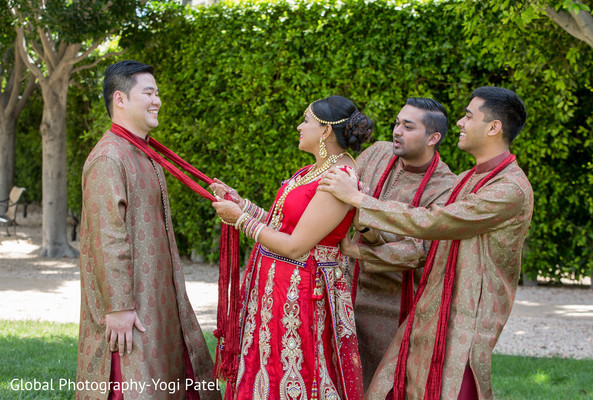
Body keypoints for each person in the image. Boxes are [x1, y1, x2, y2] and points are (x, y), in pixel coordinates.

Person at [319, 86, 534, 400]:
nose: (459, 122)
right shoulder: (469, 178)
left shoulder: (508, 189)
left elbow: (434, 223)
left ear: (493, 127)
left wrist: (359, 201)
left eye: (468, 116)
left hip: (463, 322)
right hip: (431, 310)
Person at [211, 95, 373, 400]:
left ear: (325, 131)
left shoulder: (337, 180)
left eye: (306, 120)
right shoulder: (310, 172)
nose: (300, 126)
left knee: (298, 373)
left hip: (301, 294)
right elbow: (282, 226)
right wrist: (240, 204)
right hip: (279, 289)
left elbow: (297, 246)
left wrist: (242, 221)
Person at [77, 60, 220, 400]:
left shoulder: (142, 151)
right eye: (148, 92)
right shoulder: (109, 158)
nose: (157, 100)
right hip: (131, 308)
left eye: (157, 93)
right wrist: (119, 308)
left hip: (155, 299)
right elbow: (107, 237)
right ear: (120, 99)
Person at [343, 98, 457, 387]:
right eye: (397, 123)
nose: (397, 131)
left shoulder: (446, 187)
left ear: (433, 138)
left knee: (381, 386)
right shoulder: (377, 153)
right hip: (344, 291)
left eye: (408, 126)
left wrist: (354, 248)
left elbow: (419, 251)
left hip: (393, 306)